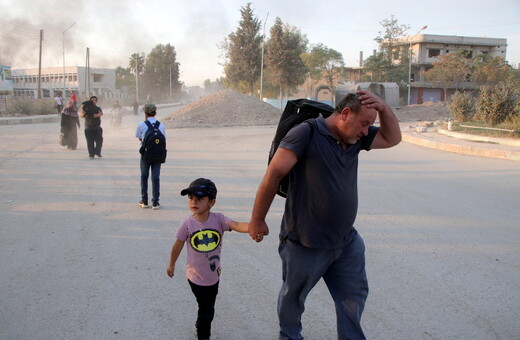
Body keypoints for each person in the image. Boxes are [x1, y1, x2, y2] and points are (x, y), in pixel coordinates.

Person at [248, 91, 402, 340]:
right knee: (292, 299)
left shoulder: (356, 138)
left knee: (353, 299)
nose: (366, 131)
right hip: (305, 243)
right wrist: (257, 219)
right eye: (365, 123)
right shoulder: (305, 134)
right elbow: (273, 175)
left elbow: (393, 138)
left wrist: (383, 109)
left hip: (345, 242)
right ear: (345, 114)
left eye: (370, 125)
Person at [167, 178, 249, 340]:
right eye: (191, 198)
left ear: (211, 202)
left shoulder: (218, 219)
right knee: (206, 309)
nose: (193, 202)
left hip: (214, 275)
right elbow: (178, 245)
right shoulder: (187, 224)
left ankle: (201, 323)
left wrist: (253, 227)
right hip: (195, 277)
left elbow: (237, 225)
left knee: (208, 305)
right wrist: (172, 263)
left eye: (199, 198)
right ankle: (203, 334)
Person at [135, 103, 165, 209]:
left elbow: (139, 137)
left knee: (144, 176)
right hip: (158, 155)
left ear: (145, 113)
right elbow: (163, 139)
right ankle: (155, 202)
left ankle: (144, 201)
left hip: (146, 155)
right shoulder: (161, 125)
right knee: (155, 177)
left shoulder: (141, 124)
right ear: (155, 113)